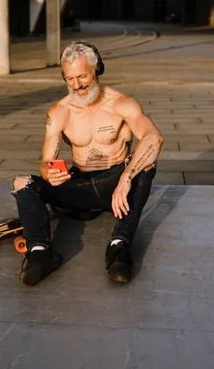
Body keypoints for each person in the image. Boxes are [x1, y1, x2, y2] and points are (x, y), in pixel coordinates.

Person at [11, 41, 164, 286]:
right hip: (78, 186)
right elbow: (45, 162)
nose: (77, 85)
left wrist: (126, 179)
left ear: (97, 70)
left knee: (146, 164)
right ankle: (40, 252)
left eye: (82, 76)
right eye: (69, 78)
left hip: (115, 184)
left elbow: (153, 138)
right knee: (22, 183)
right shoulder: (60, 111)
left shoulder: (121, 103)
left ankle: (119, 246)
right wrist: (50, 174)